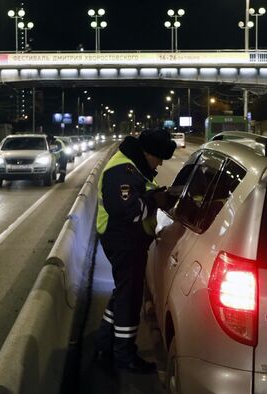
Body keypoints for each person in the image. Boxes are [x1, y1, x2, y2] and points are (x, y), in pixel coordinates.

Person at [95, 129, 176, 374]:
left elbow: (137, 197)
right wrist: (156, 201)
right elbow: (128, 210)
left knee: (123, 291)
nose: (161, 163)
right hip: (122, 239)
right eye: (159, 157)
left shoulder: (133, 165)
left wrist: (155, 196)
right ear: (147, 153)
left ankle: (105, 342)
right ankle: (124, 354)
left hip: (126, 239)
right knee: (130, 298)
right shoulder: (122, 171)